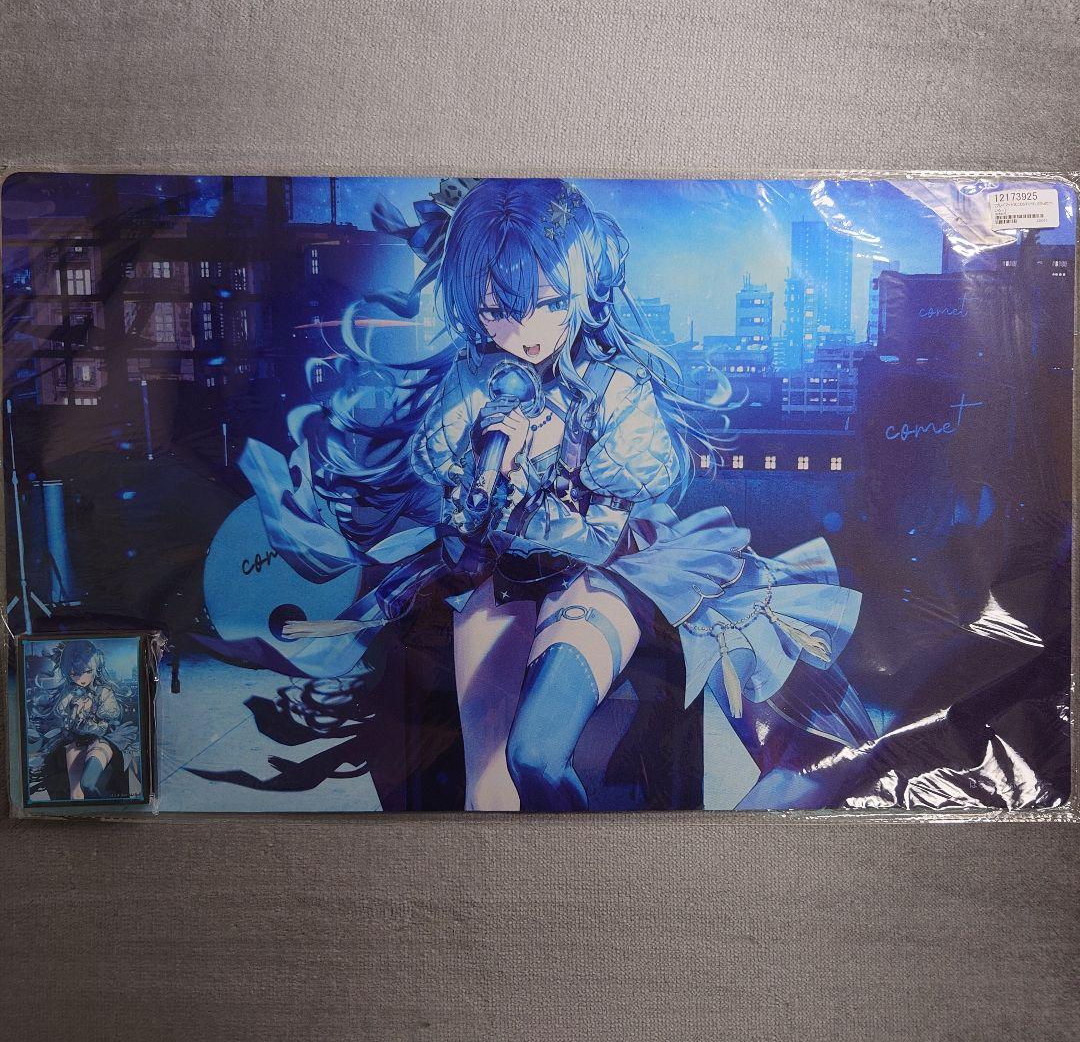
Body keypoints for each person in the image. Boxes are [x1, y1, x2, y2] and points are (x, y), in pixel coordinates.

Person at [216, 177, 874, 811]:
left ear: (582, 289)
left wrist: (530, 491)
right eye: (498, 311)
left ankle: (587, 863)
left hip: (603, 574)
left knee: (535, 756)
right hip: (502, 581)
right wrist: (480, 479)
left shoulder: (616, 387)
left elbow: (603, 533)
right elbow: (452, 503)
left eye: (550, 302)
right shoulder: (475, 384)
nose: (525, 329)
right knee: (488, 795)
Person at [26, 639, 139, 801]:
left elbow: (107, 721)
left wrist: (89, 713)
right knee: (76, 794)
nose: (81, 679)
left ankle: (106, 807)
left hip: (101, 739)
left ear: (95, 668)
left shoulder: (103, 692)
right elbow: (63, 717)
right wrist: (74, 710)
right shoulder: (69, 694)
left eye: (86, 671)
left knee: (88, 784)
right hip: (76, 741)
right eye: (74, 674)